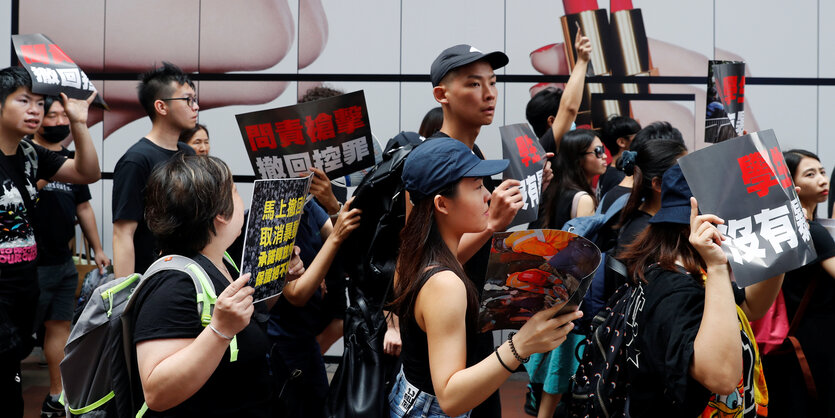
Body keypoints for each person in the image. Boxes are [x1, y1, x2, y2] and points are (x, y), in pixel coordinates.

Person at [389, 137, 583, 417]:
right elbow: (451, 398)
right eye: (477, 187)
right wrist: (521, 345)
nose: (488, 196)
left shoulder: (414, 255)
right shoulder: (445, 283)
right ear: (442, 204)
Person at [132, 154, 302, 416]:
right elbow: (156, 393)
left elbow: (249, 318)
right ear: (221, 214)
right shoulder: (172, 285)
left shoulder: (221, 259)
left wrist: (280, 276)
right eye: (234, 190)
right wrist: (219, 330)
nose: (240, 198)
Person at [620, 164, 779, 417]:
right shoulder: (675, 287)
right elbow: (722, 378)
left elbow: (750, 307)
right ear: (695, 227)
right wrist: (717, 265)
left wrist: (780, 247)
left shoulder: (690, 272)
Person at [0, 66, 100, 417]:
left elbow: (88, 173)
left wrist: (79, 124)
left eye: (40, 103)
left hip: (24, 289)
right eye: (23, 101)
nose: (35, 110)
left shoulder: (31, 154)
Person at [28, 95, 110, 417]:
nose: (59, 121)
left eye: (65, 115)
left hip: (62, 261)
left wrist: (98, 249)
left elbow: (84, 207)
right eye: (53, 115)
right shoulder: (25, 154)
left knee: (59, 327)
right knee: (20, 334)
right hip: (30, 264)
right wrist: (46, 173)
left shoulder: (72, 161)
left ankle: (55, 395)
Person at [525, 128, 606, 418]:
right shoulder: (583, 198)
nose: (604, 156)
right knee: (559, 375)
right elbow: (584, 256)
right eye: (596, 152)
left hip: (549, 287)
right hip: (571, 293)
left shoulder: (554, 190)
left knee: (547, 366)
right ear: (578, 158)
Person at [269, 197, 361, 418]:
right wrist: (334, 240)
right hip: (284, 339)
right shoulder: (274, 216)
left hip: (307, 335)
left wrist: (332, 203)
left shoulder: (308, 203)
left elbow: (337, 243)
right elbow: (296, 294)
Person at [761, 149, 835, 416]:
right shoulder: (813, 231)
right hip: (814, 341)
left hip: (794, 337)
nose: (822, 179)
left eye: (823, 172)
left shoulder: (800, 226)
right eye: (810, 174)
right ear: (793, 186)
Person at [112, 62, 197, 279]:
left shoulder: (188, 153)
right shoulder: (137, 160)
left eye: (195, 100)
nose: (195, 107)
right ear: (161, 107)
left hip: (186, 271)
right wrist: (125, 295)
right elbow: (123, 234)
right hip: (151, 277)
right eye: (188, 100)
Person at [612, 123, 687, 256]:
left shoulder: (650, 221)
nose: (690, 180)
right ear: (658, 184)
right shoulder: (644, 235)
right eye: (683, 174)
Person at [597, 115, 640, 198]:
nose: (641, 140)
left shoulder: (608, 170)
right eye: (637, 136)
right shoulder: (621, 179)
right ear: (622, 142)